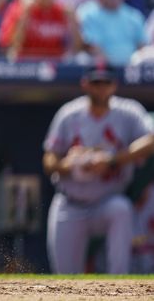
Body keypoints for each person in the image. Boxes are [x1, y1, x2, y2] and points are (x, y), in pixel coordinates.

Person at [43, 65, 154, 274]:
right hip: (71, 202)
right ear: (85, 84)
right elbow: (49, 158)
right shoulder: (69, 114)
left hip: (107, 200)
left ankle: (118, 283)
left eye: (105, 83)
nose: (101, 89)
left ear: (114, 85)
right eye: (96, 83)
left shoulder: (127, 112)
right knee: (65, 277)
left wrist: (112, 159)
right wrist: (66, 165)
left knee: (121, 209)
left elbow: (150, 141)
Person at [77, 0, 147, 66]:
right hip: (100, 75)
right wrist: (115, 71)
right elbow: (93, 47)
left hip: (131, 74)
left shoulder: (134, 16)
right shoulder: (86, 13)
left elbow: (142, 48)